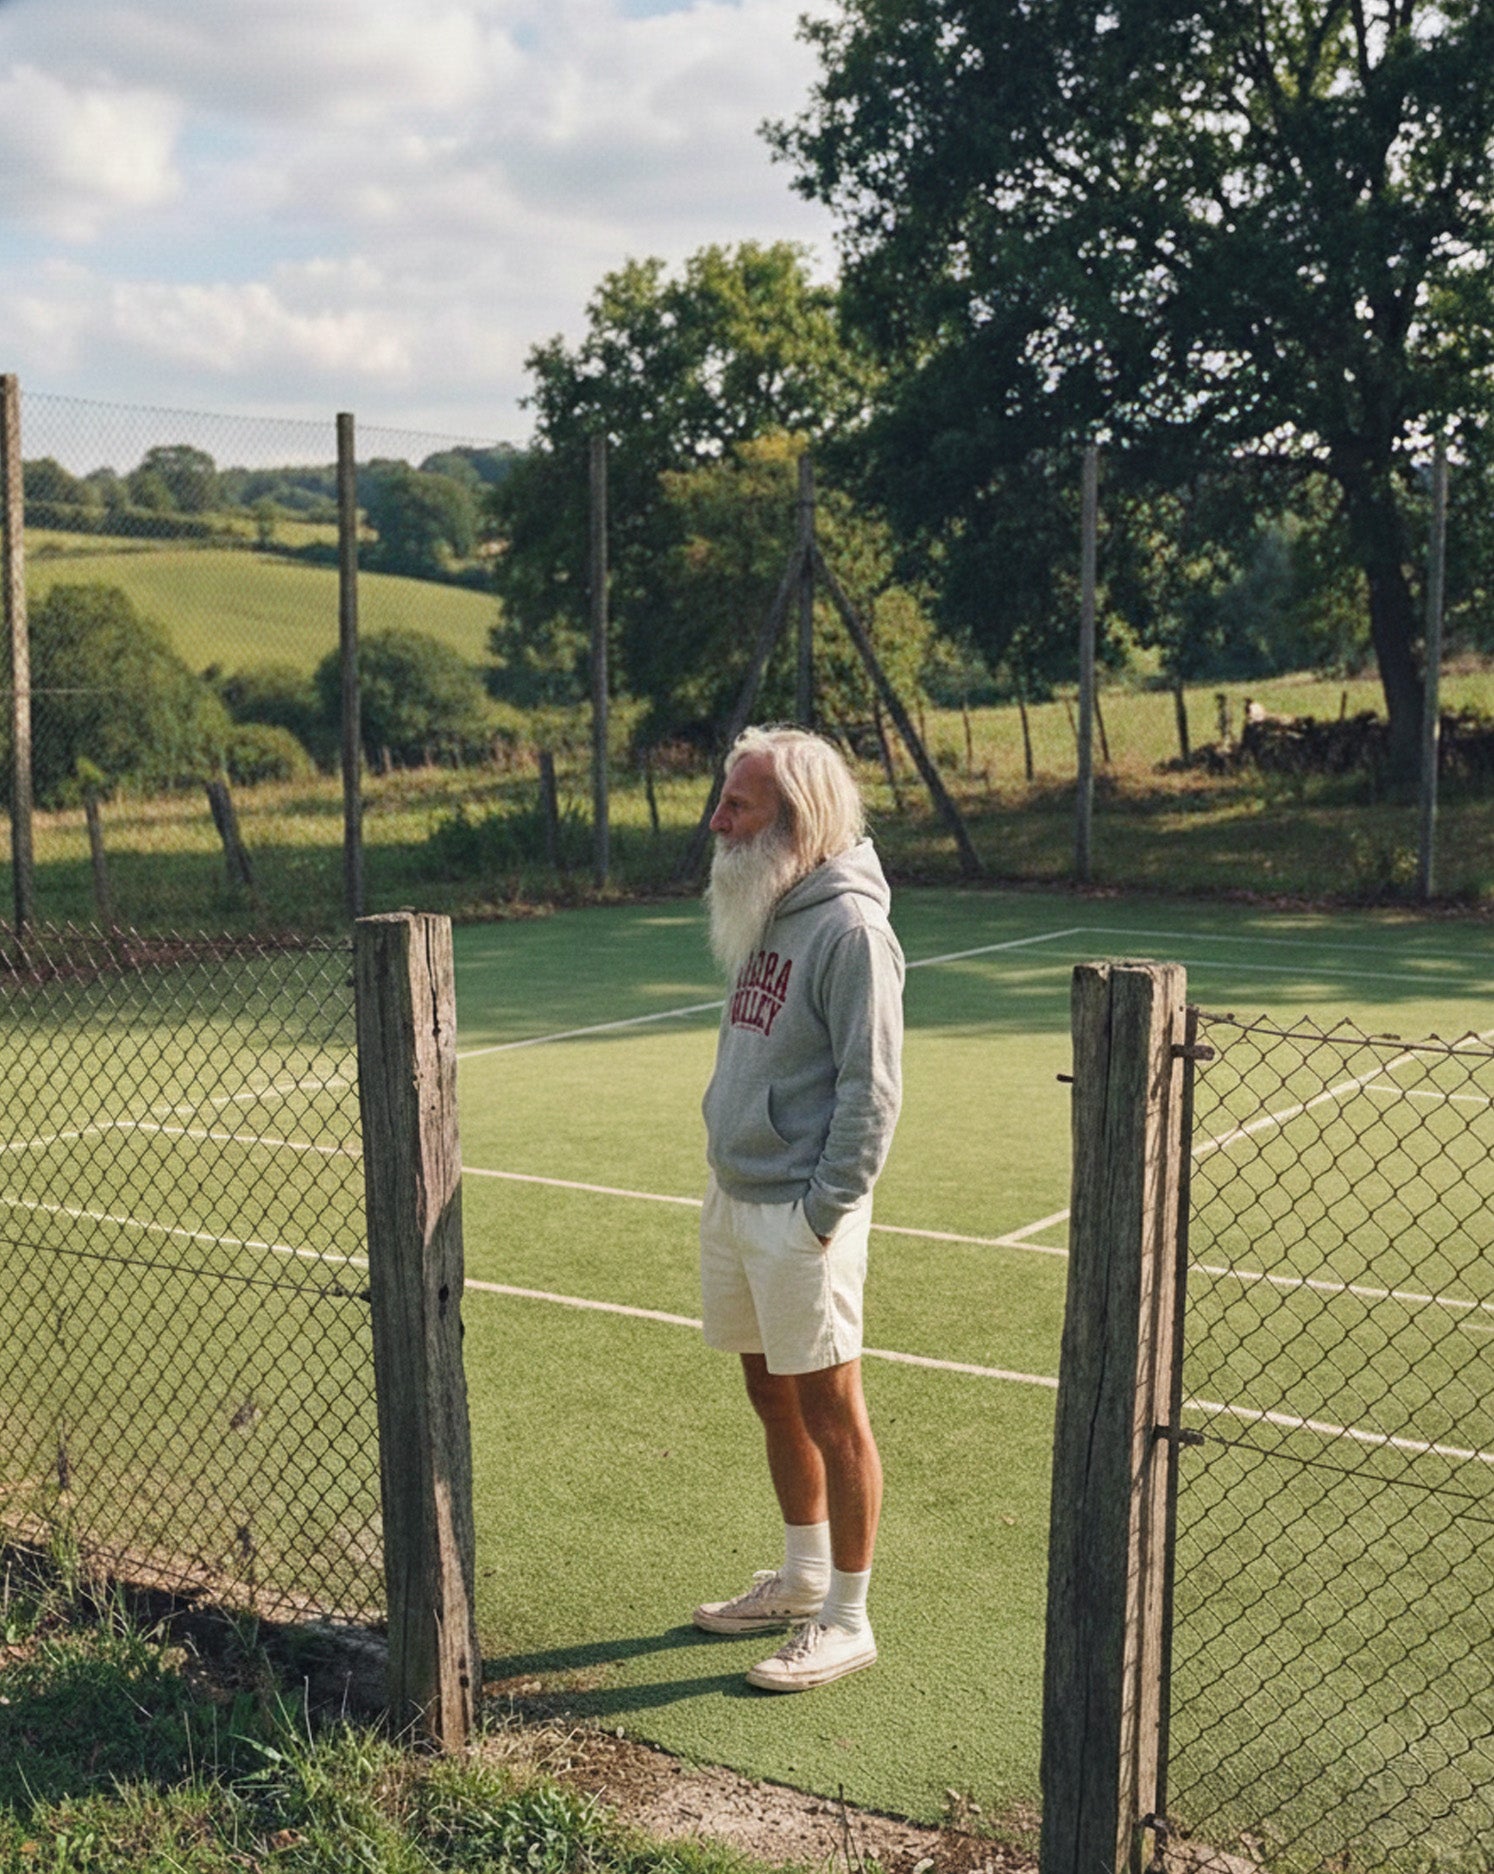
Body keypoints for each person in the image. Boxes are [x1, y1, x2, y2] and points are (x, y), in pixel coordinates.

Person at [692, 725, 904, 1692]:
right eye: (725, 799)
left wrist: (822, 1214)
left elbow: (873, 1091)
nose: (719, 818)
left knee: (832, 1408)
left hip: (800, 1214)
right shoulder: (764, 900)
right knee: (767, 1390)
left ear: (796, 820)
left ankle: (847, 1618)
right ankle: (800, 1579)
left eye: (739, 805)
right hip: (737, 1194)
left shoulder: (851, 928)